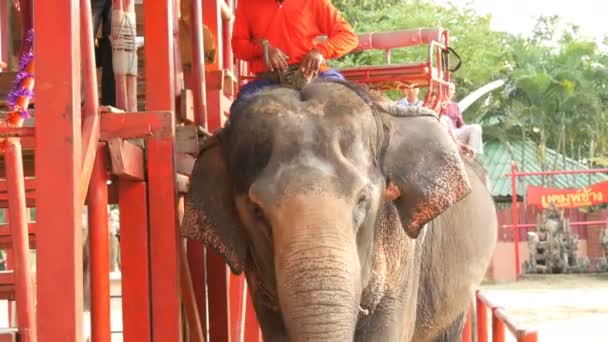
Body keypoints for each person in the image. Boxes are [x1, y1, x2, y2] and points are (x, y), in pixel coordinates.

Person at [232, 0, 358, 99]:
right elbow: (238, 46)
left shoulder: (316, 1)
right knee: (239, 110)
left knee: (355, 100)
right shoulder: (246, 2)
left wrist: (320, 51)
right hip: (269, 80)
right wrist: (263, 50)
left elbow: (348, 36)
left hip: (315, 74)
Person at [440, 82, 484, 154]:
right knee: (445, 119)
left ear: (454, 92)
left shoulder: (455, 106)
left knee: (476, 127)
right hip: (442, 131)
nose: (450, 91)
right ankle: (458, 144)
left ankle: (470, 153)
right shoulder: (437, 101)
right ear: (444, 88)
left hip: (455, 132)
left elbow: (461, 125)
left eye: (452, 89)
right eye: (448, 88)